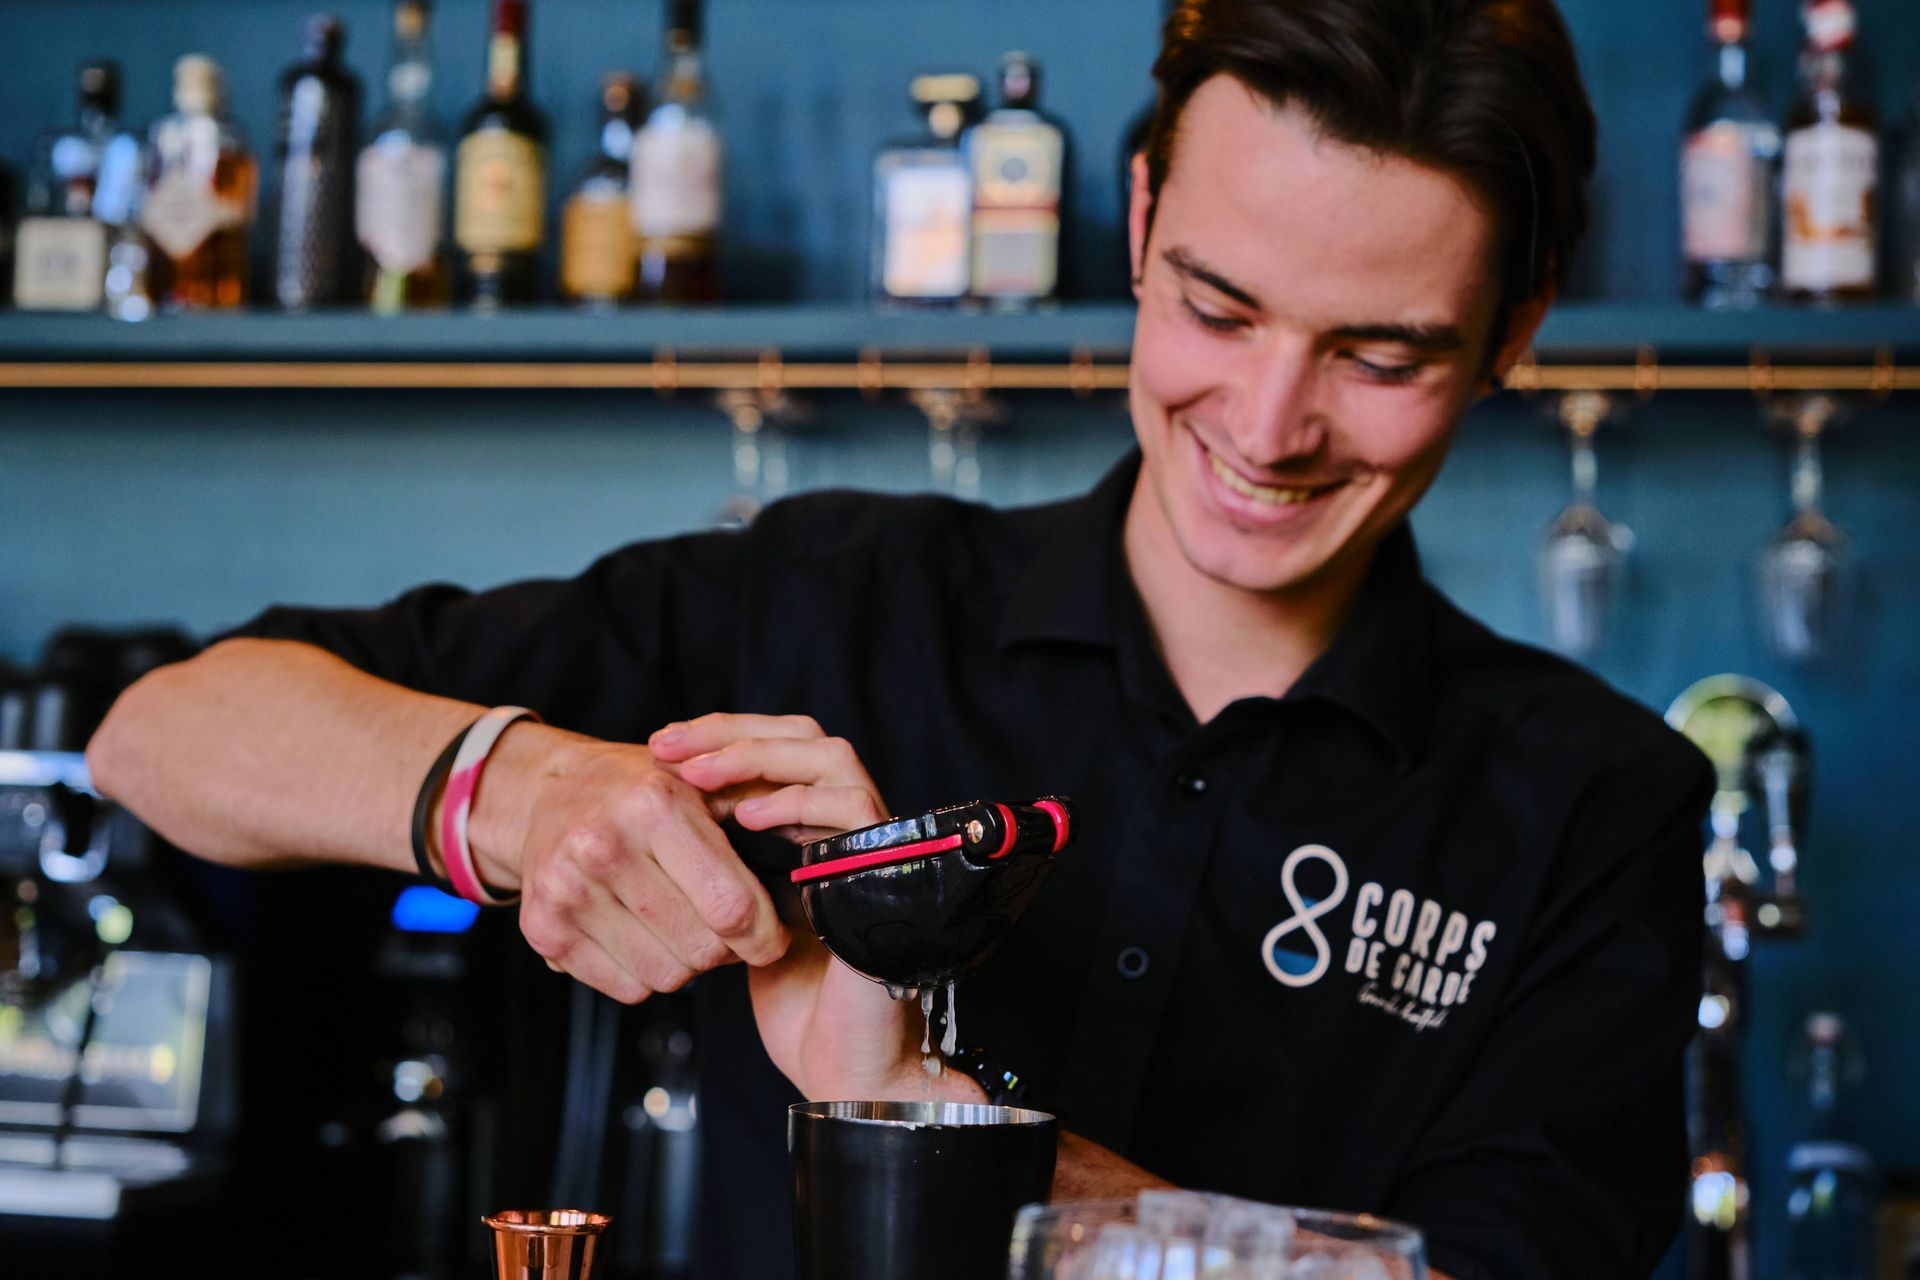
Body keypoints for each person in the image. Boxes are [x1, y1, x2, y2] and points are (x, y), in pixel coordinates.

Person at [86, 0, 1713, 1276]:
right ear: (1139, 221)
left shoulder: (1594, 805)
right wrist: (516, 797)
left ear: (1514, 329)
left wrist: (923, 1117)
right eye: (1216, 308)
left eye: (1381, 353)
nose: (1269, 422)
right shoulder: (822, 596)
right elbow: (164, 732)